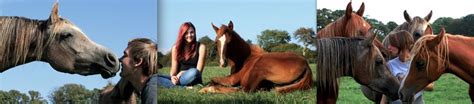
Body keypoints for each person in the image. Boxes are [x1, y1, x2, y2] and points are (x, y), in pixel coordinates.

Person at [381, 31, 432, 104]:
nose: (389, 47)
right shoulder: (390, 65)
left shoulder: (419, 63)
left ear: (402, 45)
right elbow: (385, 92)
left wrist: (408, 80)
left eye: (392, 44)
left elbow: (431, 87)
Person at [169, 22, 207, 86]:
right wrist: (172, 77)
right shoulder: (175, 48)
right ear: (182, 34)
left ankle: (175, 85)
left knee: (194, 72)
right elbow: (173, 70)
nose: (189, 35)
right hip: (179, 78)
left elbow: (198, 72)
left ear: (195, 33)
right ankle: (177, 85)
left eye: (191, 32)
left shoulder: (201, 47)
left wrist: (182, 72)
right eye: (186, 33)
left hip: (193, 77)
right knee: (155, 77)